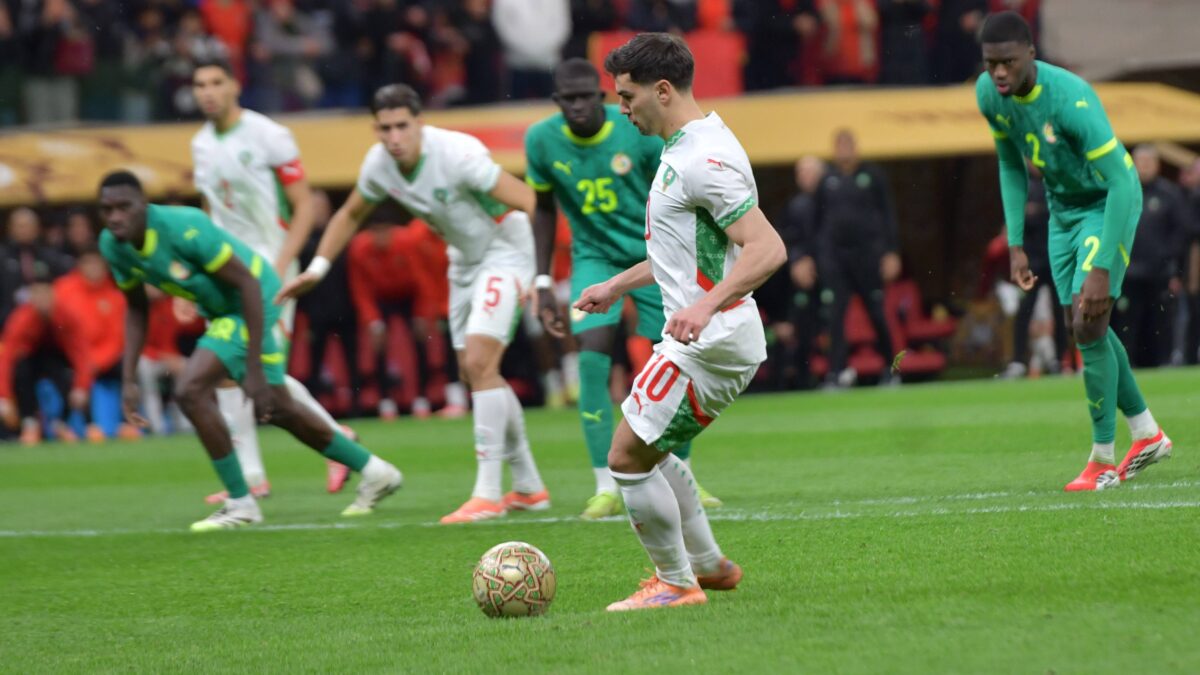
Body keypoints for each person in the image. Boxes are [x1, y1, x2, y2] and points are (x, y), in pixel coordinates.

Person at [576, 33, 786, 611]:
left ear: (662, 90)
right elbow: (684, 252)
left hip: (709, 340)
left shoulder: (702, 160)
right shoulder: (689, 146)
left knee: (624, 457)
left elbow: (768, 249)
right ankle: (710, 565)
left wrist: (704, 305)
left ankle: (676, 583)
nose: (621, 109)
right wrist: (616, 286)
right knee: (652, 448)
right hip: (712, 333)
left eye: (627, 96)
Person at [277, 84, 549, 525]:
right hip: (464, 260)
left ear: (420, 122)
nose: (394, 137)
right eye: (384, 128)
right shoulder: (379, 164)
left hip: (507, 249)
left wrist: (540, 274)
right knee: (477, 372)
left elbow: (531, 201)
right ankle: (529, 486)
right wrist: (319, 267)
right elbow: (349, 214)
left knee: (480, 362)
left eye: (402, 126)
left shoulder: (458, 156)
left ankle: (487, 494)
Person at [96, 171, 402, 531]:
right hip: (223, 311)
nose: (115, 217)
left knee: (190, 390)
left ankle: (241, 503)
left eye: (124, 207)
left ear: (144, 205)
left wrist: (252, 368)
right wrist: (129, 378)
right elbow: (136, 308)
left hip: (252, 298)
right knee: (281, 409)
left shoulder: (184, 228)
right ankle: (376, 471)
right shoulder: (112, 245)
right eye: (107, 209)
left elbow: (246, 284)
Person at [976, 11, 1171, 491]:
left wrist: (1102, 267)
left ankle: (1102, 459)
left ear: (1031, 54)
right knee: (1082, 326)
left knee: (1089, 320)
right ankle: (1147, 433)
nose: (998, 72)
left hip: (1107, 202)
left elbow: (1122, 179)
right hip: (1062, 211)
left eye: (1007, 62)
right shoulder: (988, 95)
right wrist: (1016, 243)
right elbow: (1010, 165)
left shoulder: (1071, 100)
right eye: (990, 62)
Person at [525, 57, 721, 520]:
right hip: (594, 259)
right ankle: (604, 485)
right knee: (590, 359)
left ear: (601, 97)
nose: (576, 106)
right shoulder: (540, 140)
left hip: (652, 256)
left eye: (584, 97)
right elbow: (544, 209)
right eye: (567, 99)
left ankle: (683, 477)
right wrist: (541, 279)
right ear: (557, 102)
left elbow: (671, 193)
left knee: (675, 359)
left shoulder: (635, 130)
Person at [190, 56, 356, 501]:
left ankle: (334, 441)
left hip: (268, 265)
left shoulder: (269, 135)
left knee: (262, 367)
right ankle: (253, 475)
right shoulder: (200, 144)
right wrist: (197, 273)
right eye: (200, 84)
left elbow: (303, 205)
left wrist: (281, 264)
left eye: (215, 82)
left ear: (234, 85)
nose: (207, 92)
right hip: (225, 269)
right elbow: (210, 211)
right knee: (228, 369)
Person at [814, 129, 902, 387]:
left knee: (876, 312)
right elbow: (817, 221)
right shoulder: (827, 180)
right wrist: (817, 256)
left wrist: (891, 252)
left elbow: (888, 215)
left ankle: (890, 368)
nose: (844, 150)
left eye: (847, 145)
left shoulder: (872, 176)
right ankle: (836, 372)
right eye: (839, 145)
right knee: (835, 315)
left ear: (855, 147)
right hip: (836, 259)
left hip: (868, 256)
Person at [1112, 144, 1188, 368]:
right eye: (1140, 162)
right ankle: (1129, 364)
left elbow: (1179, 233)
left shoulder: (1169, 194)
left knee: (1160, 320)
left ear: (1157, 165)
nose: (1144, 167)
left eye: (1148, 162)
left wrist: (1174, 267)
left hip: (1159, 272)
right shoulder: (1123, 192)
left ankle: (1162, 362)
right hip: (1128, 272)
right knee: (1127, 321)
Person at [0, 271, 93, 445]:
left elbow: (81, 354)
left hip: (57, 360)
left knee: (69, 376)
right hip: (31, 364)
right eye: (37, 293)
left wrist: (81, 387)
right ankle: (30, 424)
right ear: (31, 297)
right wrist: (3, 397)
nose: (42, 299)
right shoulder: (20, 320)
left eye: (46, 293)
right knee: (21, 370)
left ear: (53, 294)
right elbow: (6, 359)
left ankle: (63, 424)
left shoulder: (67, 315)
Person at [1002, 166, 1067, 378]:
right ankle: (1017, 361)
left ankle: (1062, 359)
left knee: (1061, 309)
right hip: (1031, 261)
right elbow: (1014, 219)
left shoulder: (1057, 181)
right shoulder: (1021, 184)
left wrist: (1036, 212)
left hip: (1056, 258)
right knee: (1024, 310)